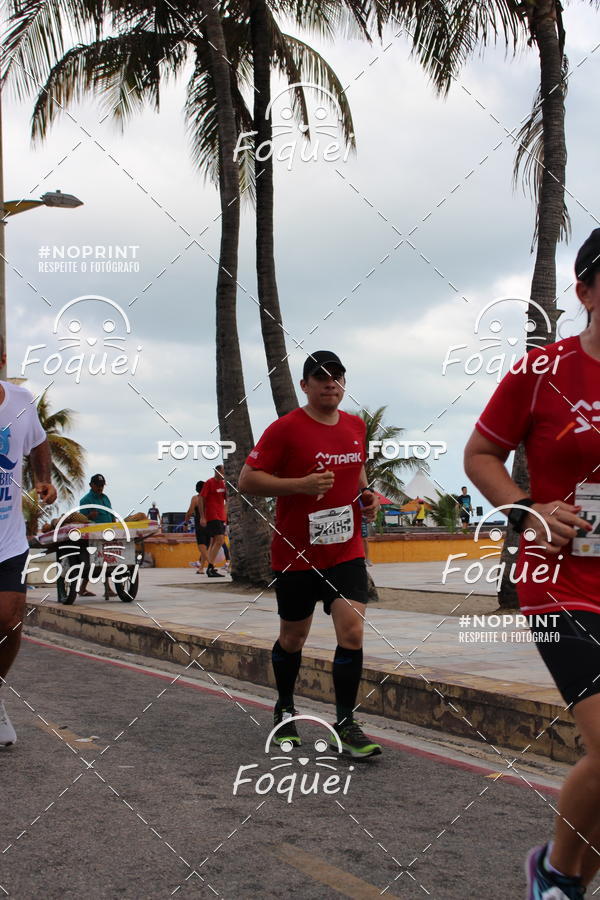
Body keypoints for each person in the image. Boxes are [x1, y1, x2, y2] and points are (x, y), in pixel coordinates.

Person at [464, 229, 600, 900]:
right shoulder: (542, 371)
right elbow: (481, 455)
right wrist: (528, 510)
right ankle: (554, 875)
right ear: (585, 291)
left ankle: (566, 882)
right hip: (558, 581)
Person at [238, 350, 382, 759]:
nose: (330, 382)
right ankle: (285, 711)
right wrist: (300, 486)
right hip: (297, 553)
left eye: (337, 376)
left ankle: (346, 723)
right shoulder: (286, 429)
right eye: (320, 377)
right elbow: (248, 480)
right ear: (305, 385)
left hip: (346, 550)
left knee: (352, 632)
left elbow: (357, 471)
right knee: (292, 638)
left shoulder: (356, 426)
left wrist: (366, 497)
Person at [0, 335, 57, 746]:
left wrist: (43, 479)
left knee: (9, 620)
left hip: (8, 540)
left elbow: (39, 442)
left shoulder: (20, 400)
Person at [78, 474, 116, 597]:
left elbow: (111, 515)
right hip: (93, 537)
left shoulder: (106, 498)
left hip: (108, 534)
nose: (100, 488)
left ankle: (83, 588)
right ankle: (107, 589)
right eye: (98, 486)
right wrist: (89, 516)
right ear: (91, 485)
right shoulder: (85, 500)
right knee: (99, 561)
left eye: (102, 486)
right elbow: (81, 520)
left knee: (104, 561)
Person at [200, 465, 227, 578]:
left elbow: (227, 499)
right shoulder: (209, 483)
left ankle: (210, 568)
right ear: (216, 471)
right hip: (212, 515)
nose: (223, 475)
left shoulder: (224, 484)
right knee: (220, 540)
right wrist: (202, 516)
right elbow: (201, 498)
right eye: (222, 472)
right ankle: (210, 567)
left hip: (221, 516)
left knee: (216, 541)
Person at [184, 481, 209, 575]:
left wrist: (186, 523)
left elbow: (190, 512)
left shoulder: (196, 498)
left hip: (201, 525)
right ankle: (201, 568)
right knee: (206, 547)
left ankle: (211, 564)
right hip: (211, 524)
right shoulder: (209, 498)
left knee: (202, 547)